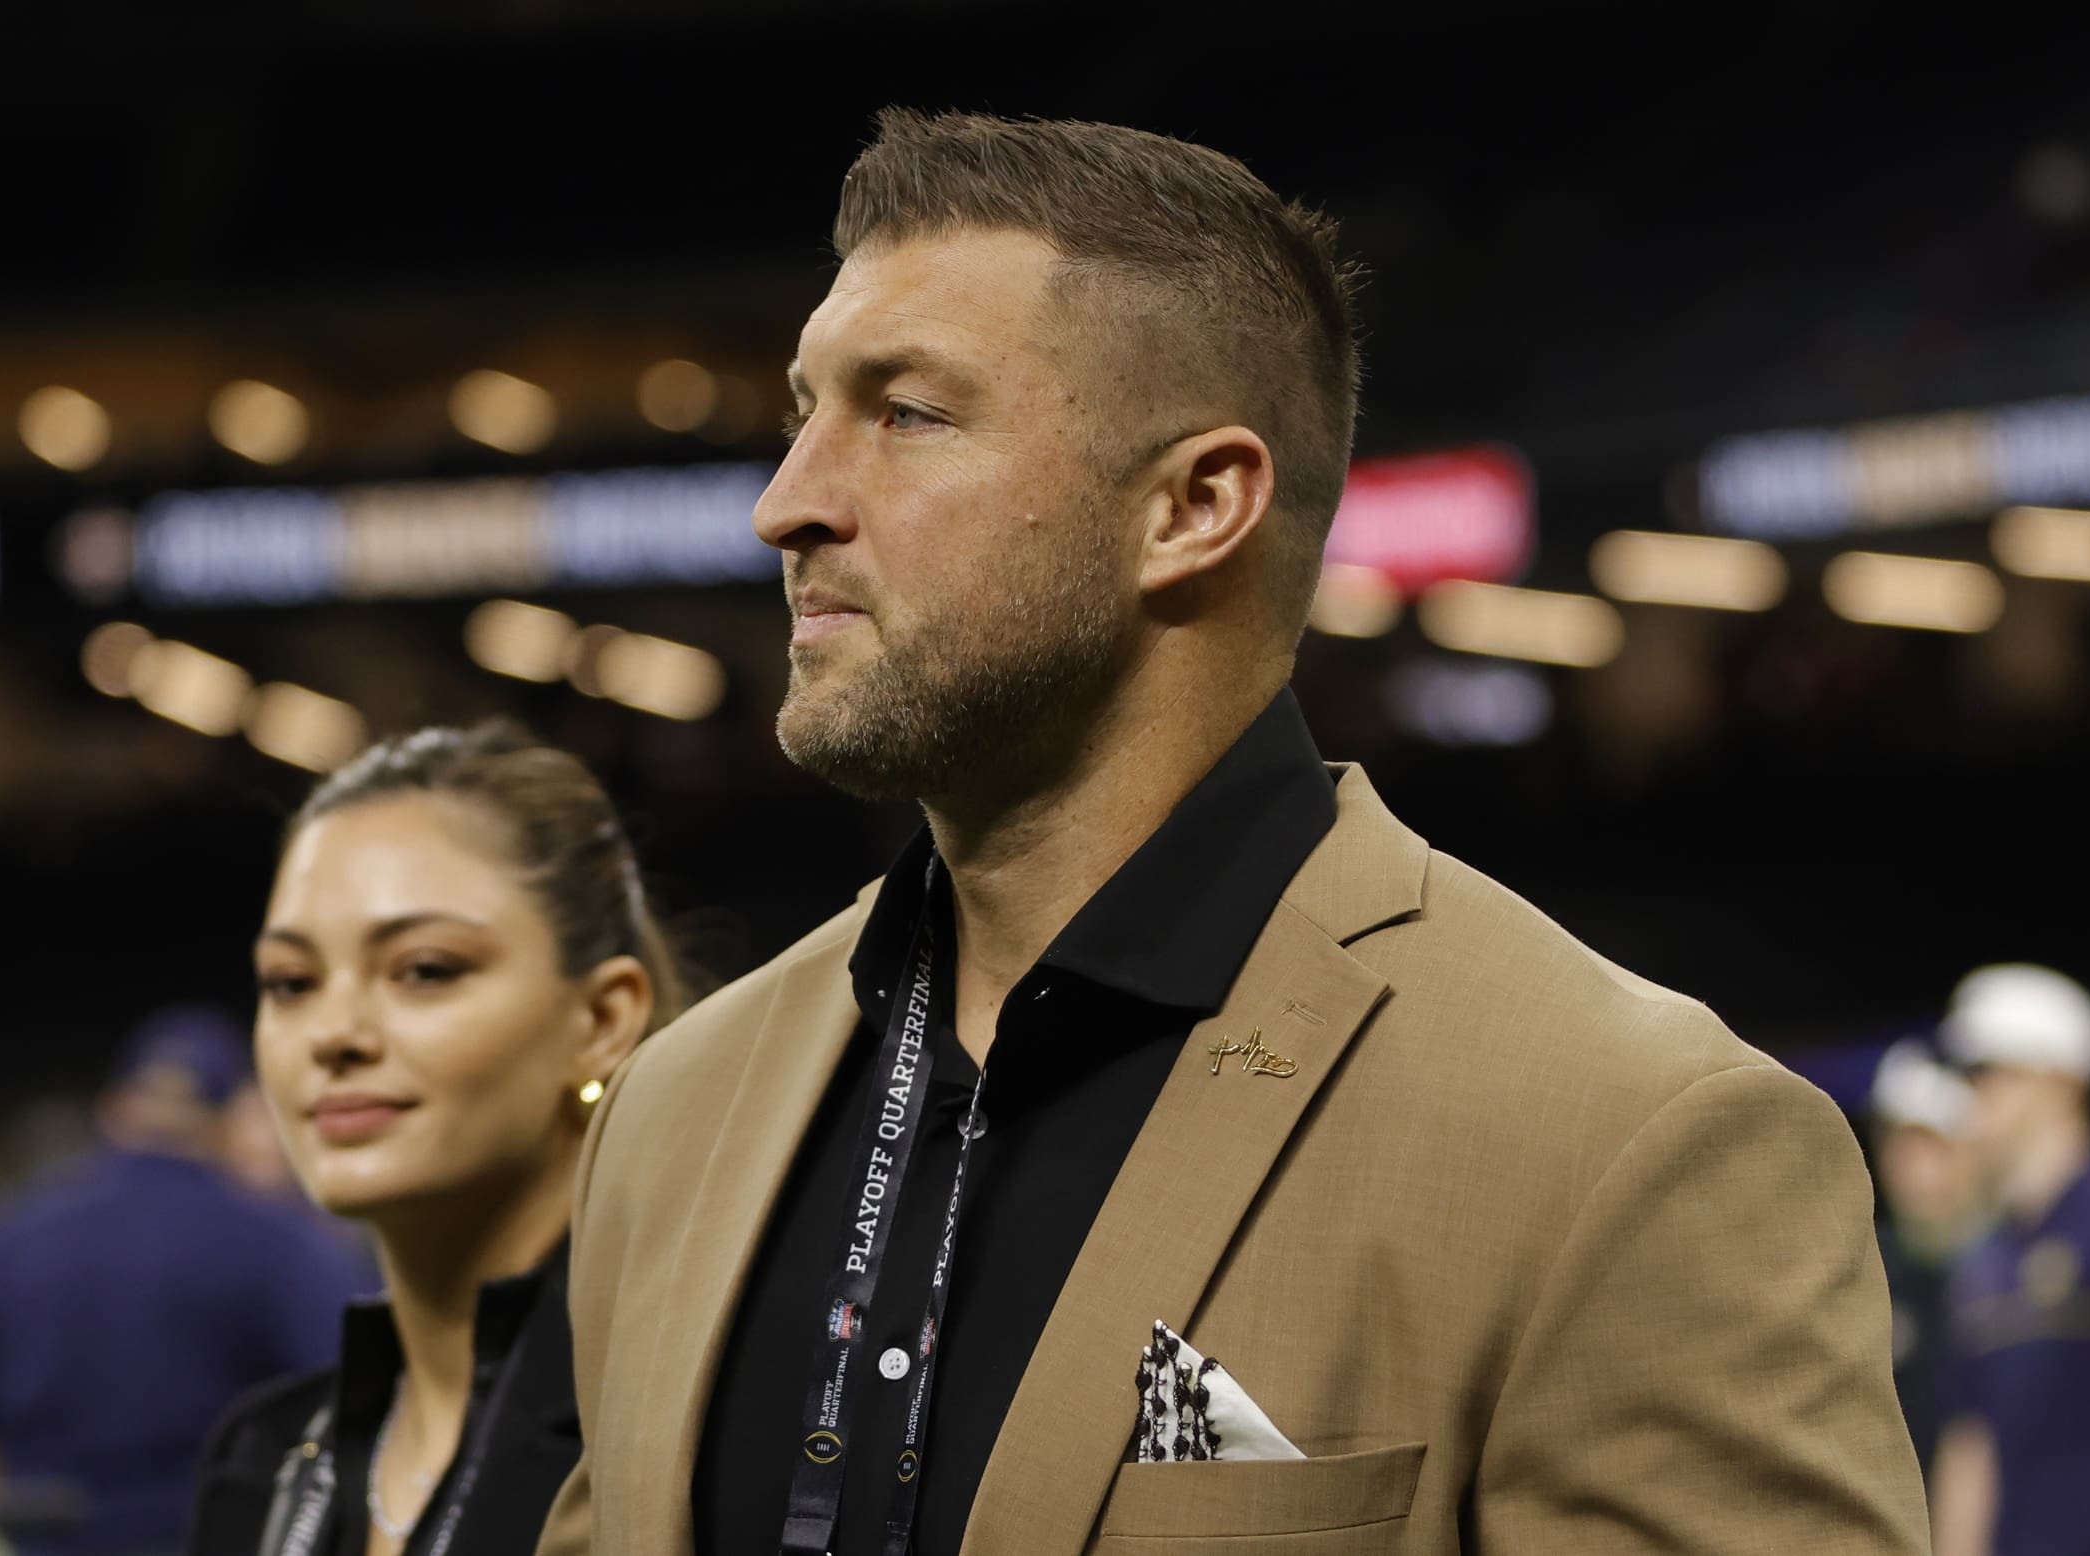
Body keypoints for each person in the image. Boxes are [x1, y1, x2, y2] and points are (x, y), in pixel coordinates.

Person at [537, 109, 1926, 1555]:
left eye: (906, 414)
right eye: (802, 412)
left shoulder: (1630, 1139)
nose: (787, 503)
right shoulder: (671, 1112)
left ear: (1195, 506)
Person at [190, 723, 685, 1556]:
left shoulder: (697, 1422)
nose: (333, 1034)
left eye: (424, 969)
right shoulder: (261, 1461)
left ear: (600, 1020)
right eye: (291, 982)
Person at [0, 1005, 367, 1556]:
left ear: (115, 1109)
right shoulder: (284, 1241)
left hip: (52, 1538)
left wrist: (6, 1519)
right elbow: (364, 1411)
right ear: (236, 1117)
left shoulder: (11, 1231)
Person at [1929, 963, 2090, 1556]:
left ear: (2059, 1079)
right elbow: (1970, 1444)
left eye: (1990, 1072)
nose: (1972, 1094)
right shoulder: (1981, 1257)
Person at [1865, 1039, 1988, 1475]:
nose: (1914, 1167)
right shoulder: (1863, 1271)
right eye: (1899, 1144)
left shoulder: (2025, 1270)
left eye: (1934, 1145)